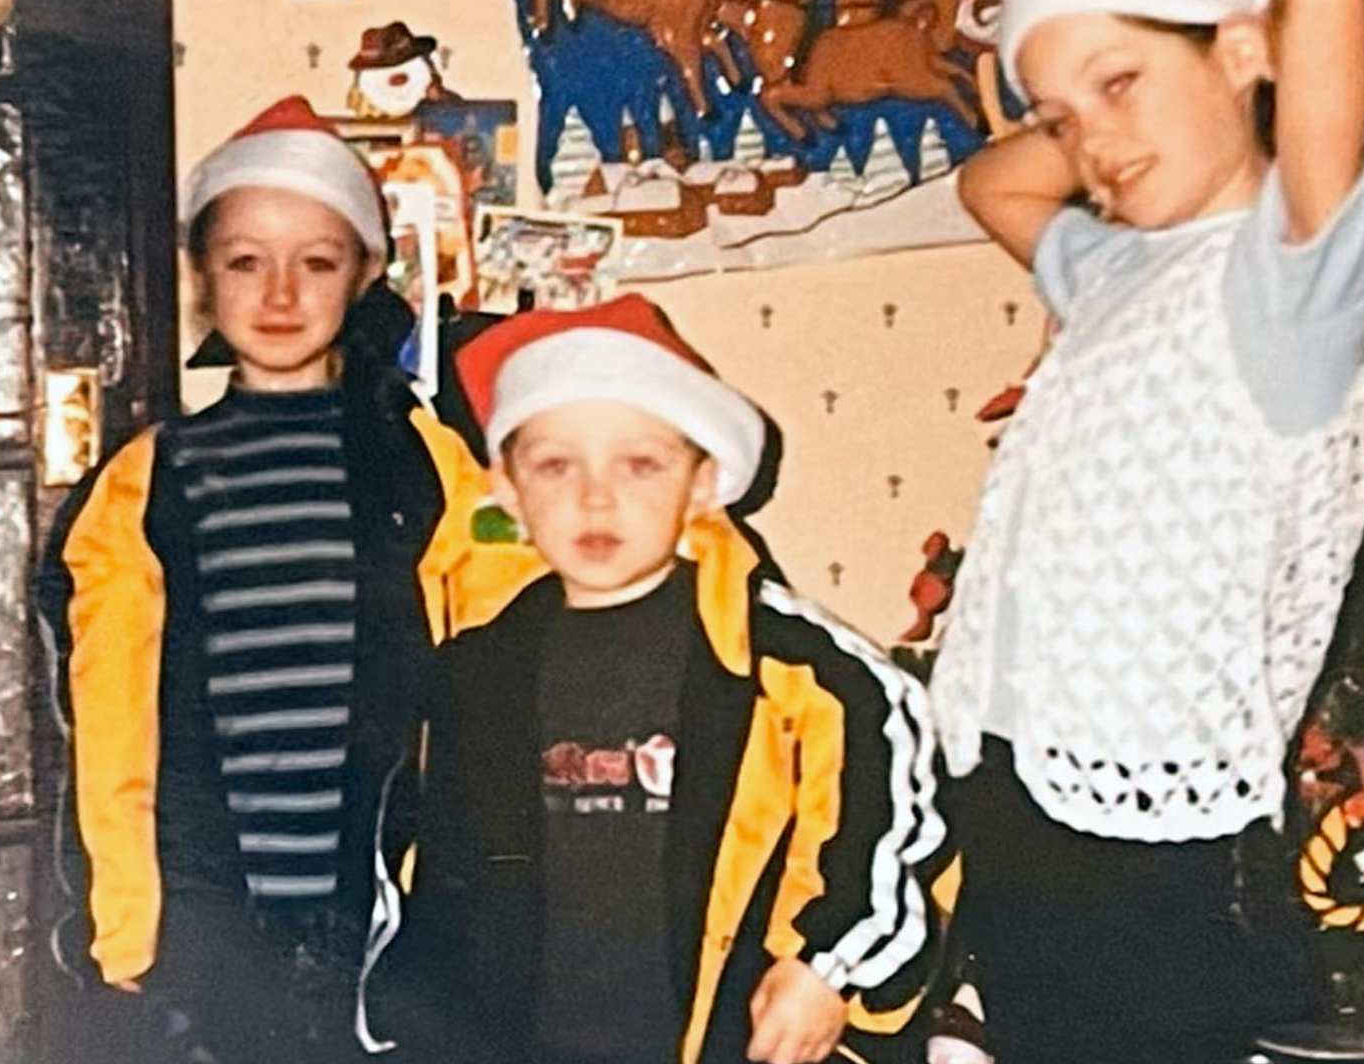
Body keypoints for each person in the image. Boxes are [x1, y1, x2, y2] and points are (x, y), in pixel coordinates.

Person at [926, 0, 1364, 1064]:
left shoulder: (1292, 281)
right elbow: (990, 184)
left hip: (1152, 840)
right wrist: (1087, 84)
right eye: (1060, 116)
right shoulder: (1115, 267)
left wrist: (1233, 23)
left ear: (1245, 48)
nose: (1089, 143)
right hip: (1017, 783)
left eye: (1119, 85)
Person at [39, 96, 529, 1064]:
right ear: (200, 280)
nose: (279, 293)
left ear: (364, 275)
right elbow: (110, 707)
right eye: (243, 262)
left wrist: (490, 877)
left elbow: (506, 644)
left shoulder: (421, 459)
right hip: (214, 903)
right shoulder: (150, 478)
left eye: (316, 261)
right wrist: (127, 915)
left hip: (392, 896)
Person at [397, 295, 958, 1064]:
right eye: (556, 466)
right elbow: (440, 881)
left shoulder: (784, 658)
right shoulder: (477, 671)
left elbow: (887, 800)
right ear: (509, 493)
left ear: (702, 484)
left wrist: (827, 968)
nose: (597, 497)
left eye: (640, 464)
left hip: (728, 1036)